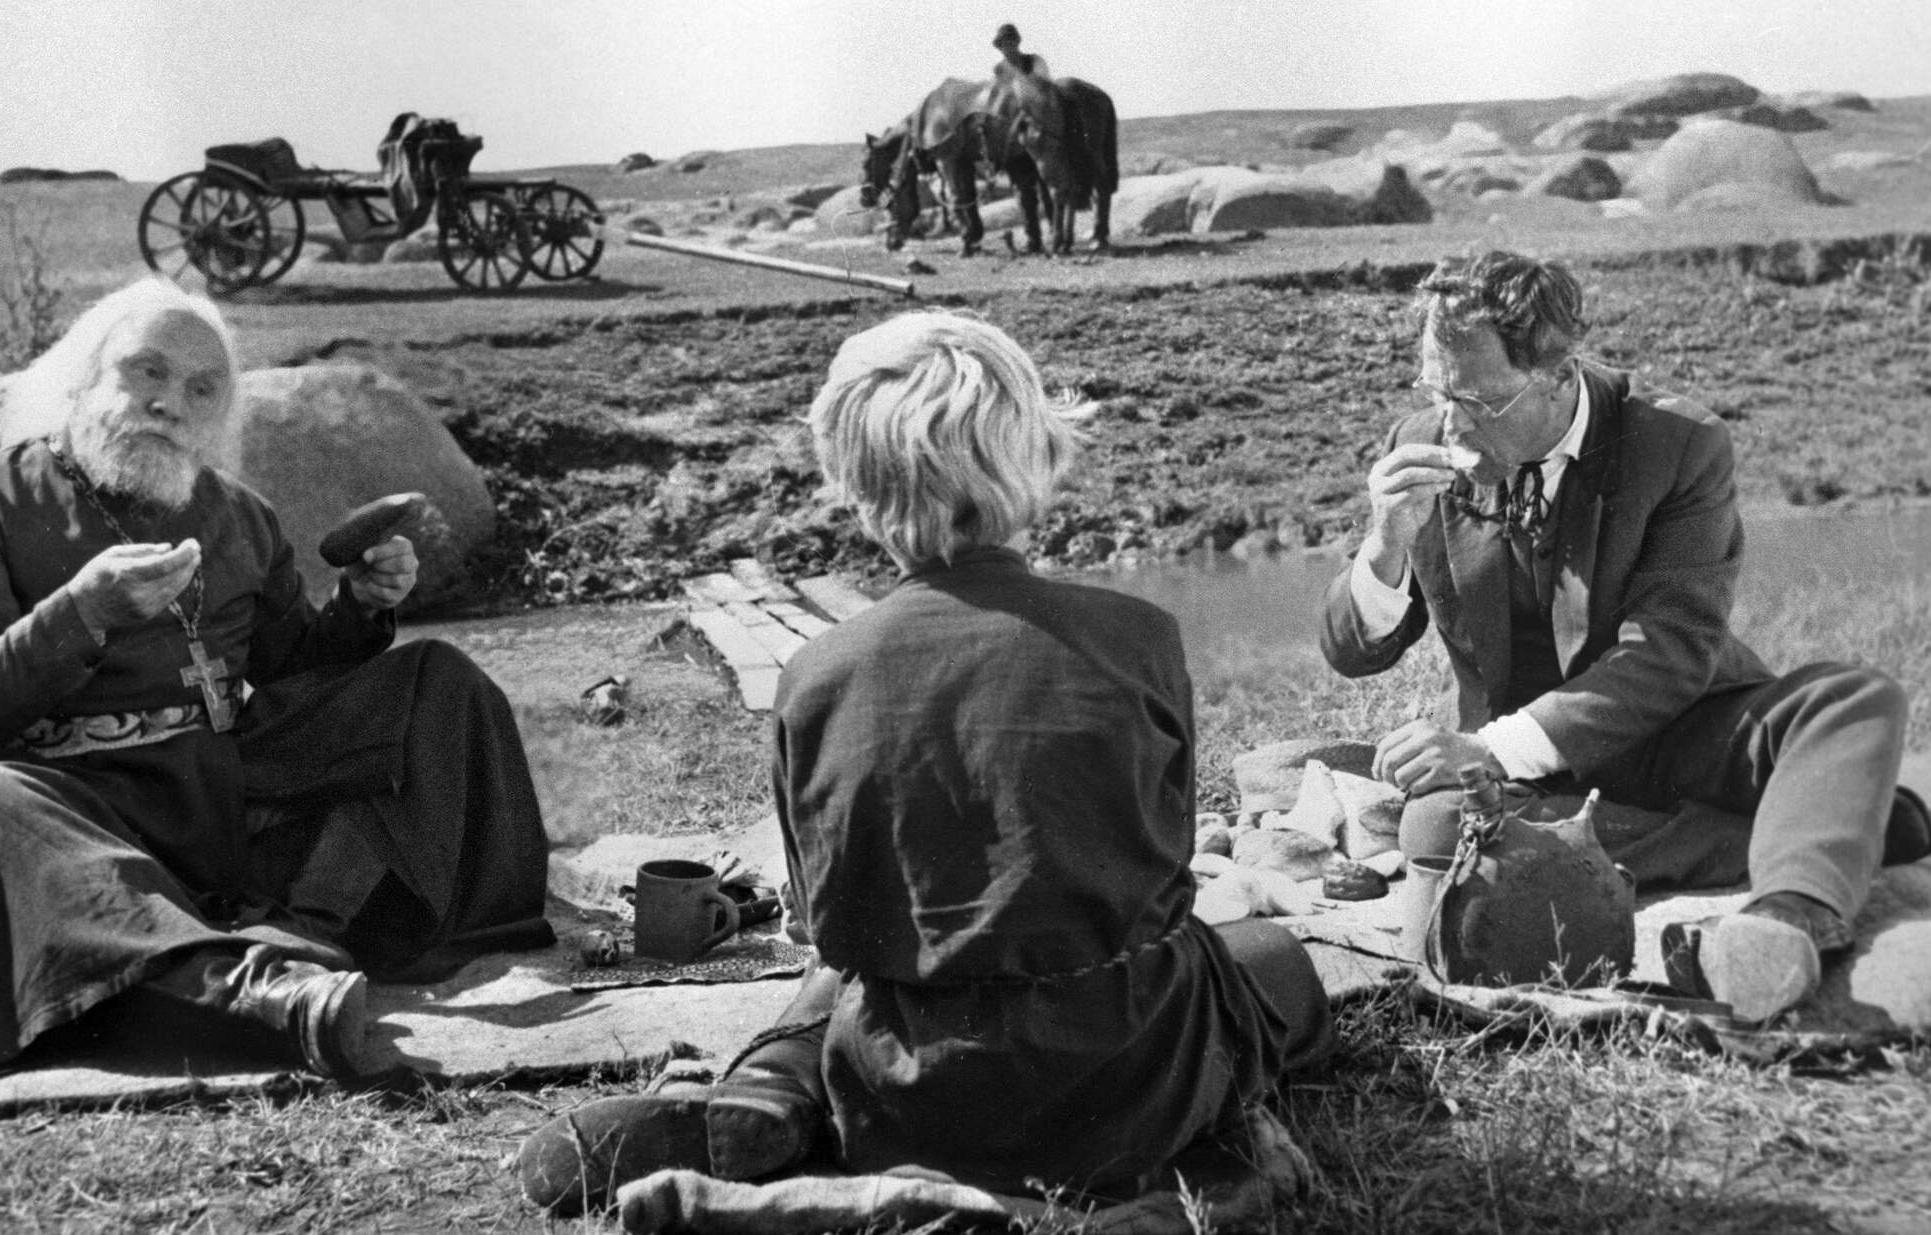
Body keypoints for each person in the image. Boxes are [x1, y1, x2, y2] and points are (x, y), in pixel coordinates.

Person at [518, 311, 1332, 1212]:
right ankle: (1178, 1180)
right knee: (1275, 960)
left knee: (846, 977)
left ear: (856, 489)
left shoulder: (814, 674)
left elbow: (825, 930)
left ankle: (777, 1086)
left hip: (910, 1101)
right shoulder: (1141, 637)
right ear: (1035, 458)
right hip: (1131, 1085)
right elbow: (1165, 877)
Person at [0, 277, 553, 1087]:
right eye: (147, 371)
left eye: (202, 389)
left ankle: (347, 926)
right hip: (54, 824)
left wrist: (359, 606)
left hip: (209, 807)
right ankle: (253, 995)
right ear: (82, 375)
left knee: (435, 682)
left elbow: (292, 666)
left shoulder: (237, 515)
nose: (170, 403)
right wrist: (78, 614)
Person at [1319, 250, 1926, 1021]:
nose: (1452, 422)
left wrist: (1489, 747)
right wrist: (1384, 543)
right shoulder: (1419, 443)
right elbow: (1351, 651)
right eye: (1437, 391)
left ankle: (1788, 918)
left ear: (1557, 374)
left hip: (1682, 728)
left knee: (1853, 699)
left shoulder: (1677, 443)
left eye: (1477, 399)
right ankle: (1799, 826)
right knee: (1437, 824)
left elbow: (1668, 651)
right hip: (1534, 785)